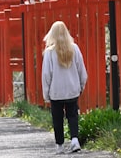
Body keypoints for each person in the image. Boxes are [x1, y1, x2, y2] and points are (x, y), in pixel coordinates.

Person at [42, 20, 88, 154]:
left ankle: (60, 145)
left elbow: (46, 74)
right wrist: (81, 85)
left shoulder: (50, 52)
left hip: (56, 92)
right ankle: (74, 140)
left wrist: (46, 93)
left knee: (57, 118)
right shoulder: (74, 48)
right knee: (72, 115)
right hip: (73, 90)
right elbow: (82, 70)